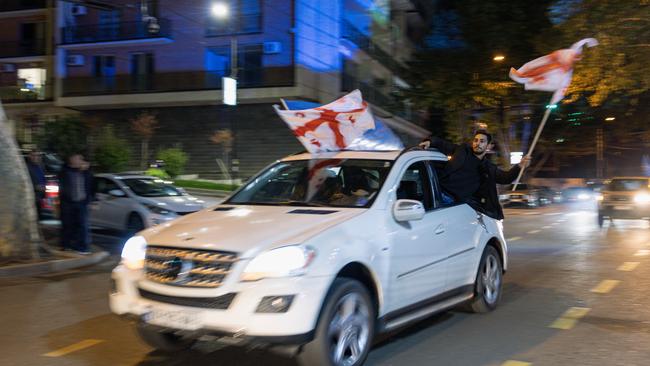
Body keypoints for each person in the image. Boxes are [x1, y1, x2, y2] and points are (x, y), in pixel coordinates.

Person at [420, 130, 530, 219]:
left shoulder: (488, 168)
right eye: (476, 140)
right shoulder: (462, 150)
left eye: (482, 141)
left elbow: (506, 178)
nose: (477, 143)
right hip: (436, 192)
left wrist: (520, 166)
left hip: (454, 205)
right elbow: (443, 145)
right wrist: (430, 141)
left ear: (488, 146)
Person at [59, 153, 93, 254]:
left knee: (83, 225)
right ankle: (67, 245)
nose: (80, 161)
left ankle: (83, 247)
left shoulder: (85, 172)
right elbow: (61, 178)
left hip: (81, 202)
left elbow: (91, 185)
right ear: (71, 159)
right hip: (68, 202)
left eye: (81, 159)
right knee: (68, 225)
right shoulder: (65, 171)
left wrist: (86, 170)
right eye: (78, 159)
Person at [26, 150, 46, 220]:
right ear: (30, 156)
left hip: (40, 197)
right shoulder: (26, 167)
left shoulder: (41, 166)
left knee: (39, 218)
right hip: (31, 198)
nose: (35, 157)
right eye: (33, 155)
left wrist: (44, 187)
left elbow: (43, 179)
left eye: (37, 155)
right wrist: (35, 187)